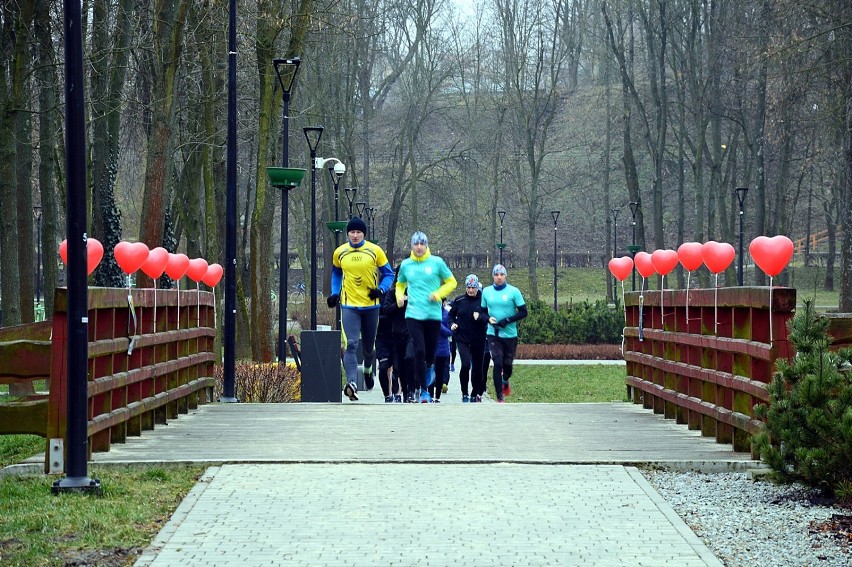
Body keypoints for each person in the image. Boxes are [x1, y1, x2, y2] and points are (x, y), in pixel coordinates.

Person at [328, 216, 395, 401]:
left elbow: (389, 274)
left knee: (368, 348)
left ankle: (367, 369)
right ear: (347, 233)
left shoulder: (375, 251)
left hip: (371, 306)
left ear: (363, 234)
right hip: (349, 305)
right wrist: (335, 293)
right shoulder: (340, 252)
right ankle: (351, 383)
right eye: (352, 232)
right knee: (351, 344)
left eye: (358, 232)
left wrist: (380, 290)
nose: (355, 235)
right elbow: (336, 273)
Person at [396, 231, 457, 403]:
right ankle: (424, 391)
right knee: (419, 350)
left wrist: (438, 294)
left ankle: (430, 366)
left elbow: (452, 282)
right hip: (413, 314)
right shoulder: (406, 265)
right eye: (416, 244)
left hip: (433, 314)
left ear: (427, 245)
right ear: (412, 246)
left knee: (430, 353)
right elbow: (400, 284)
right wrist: (399, 296)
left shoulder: (437, 263)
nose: (419, 247)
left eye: (422, 244)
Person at [481, 264, 527, 403]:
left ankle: (505, 380)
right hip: (493, 333)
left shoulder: (514, 291)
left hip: (510, 334)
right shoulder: (487, 292)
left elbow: (524, 312)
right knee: (497, 362)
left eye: (501, 275)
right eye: (496, 275)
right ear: (493, 276)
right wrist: (488, 318)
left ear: (505, 276)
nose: (499, 277)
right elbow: (482, 311)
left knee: (507, 365)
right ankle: (499, 397)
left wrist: (507, 320)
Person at [450, 274, 488, 402]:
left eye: (473, 288)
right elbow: (450, 315)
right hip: (462, 338)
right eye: (468, 287)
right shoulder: (459, 300)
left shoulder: (483, 301)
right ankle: (464, 392)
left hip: (479, 339)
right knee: (465, 364)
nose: (471, 290)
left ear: (477, 287)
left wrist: (480, 317)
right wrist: (452, 324)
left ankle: (474, 392)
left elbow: (489, 317)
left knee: (478, 368)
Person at [429, 300, 453, 402]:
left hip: (443, 349)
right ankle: (429, 395)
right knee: (430, 372)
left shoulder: (447, 314)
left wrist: (440, 326)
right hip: (430, 348)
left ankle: (437, 396)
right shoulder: (428, 313)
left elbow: (450, 332)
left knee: (439, 373)